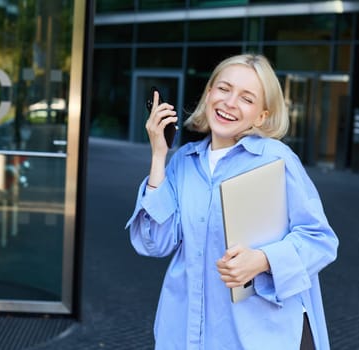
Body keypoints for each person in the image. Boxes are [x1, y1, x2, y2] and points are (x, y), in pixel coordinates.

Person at [126, 54, 339, 350]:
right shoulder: (183, 163)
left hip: (259, 336)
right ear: (209, 93)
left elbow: (321, 241)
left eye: (246, 98)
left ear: (262, 116)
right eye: (223, 89)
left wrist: (263, 260)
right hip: (186, 335)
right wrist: (159, 156)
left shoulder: (275, 160)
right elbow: (155, 244)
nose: (229, 102)